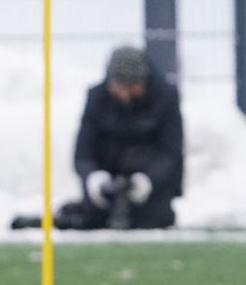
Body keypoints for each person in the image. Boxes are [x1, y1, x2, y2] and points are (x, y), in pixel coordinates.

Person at [65, 45, 184, 229]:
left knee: (153, 219)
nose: (125, 94)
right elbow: (83, 153)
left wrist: (148, 181)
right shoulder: (96, 98)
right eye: (119, 86)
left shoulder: (166, 97)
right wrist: (94, 178)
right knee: (92, 220)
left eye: (132, 86)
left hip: (151, 187)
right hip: (106, 182)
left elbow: (171, 153)